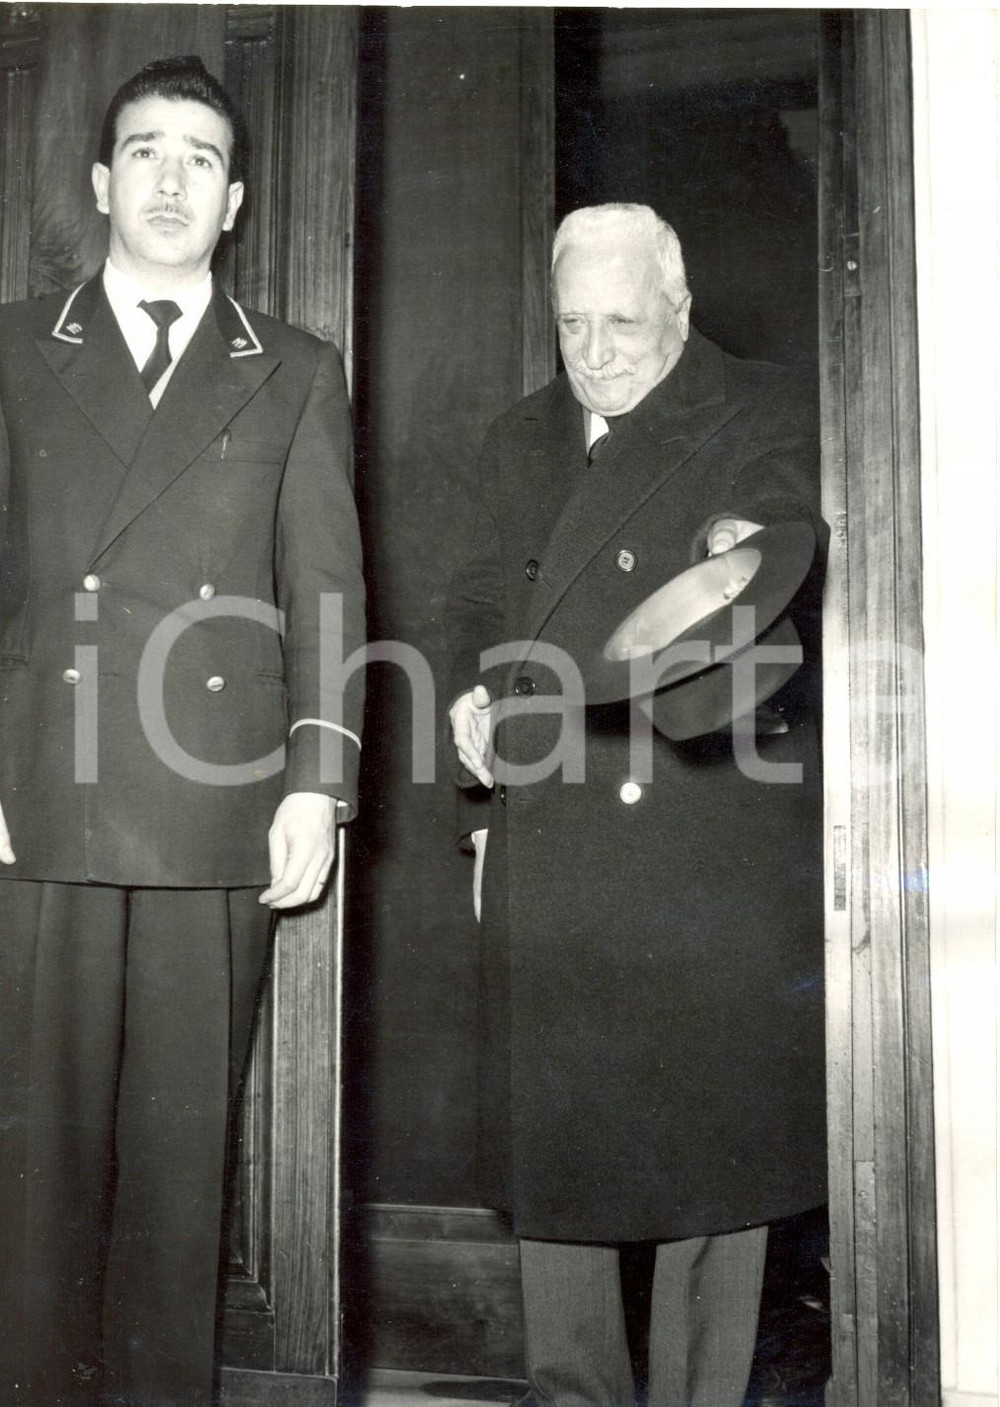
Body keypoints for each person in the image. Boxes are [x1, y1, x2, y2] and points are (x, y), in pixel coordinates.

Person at [0, 55, 364, 1407]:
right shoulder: (12, 349)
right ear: (101, 182)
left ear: (236, 201)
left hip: (215, 806)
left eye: (200, 160)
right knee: (33, 1176)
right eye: (146, 152)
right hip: (42, 797)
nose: (170, 180)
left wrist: (317, 782)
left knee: (177, 1174)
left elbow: (327, 592)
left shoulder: (293, 371)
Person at [447, 203, 826, 1407]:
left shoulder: (763, 405)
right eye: (573, 325)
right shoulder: (516, 438)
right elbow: (474, 602)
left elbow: (775, 535)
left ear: (680, 306)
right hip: (549, 823)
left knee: (711, 1171)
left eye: (622, 322)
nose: (596, 353)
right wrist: (468, 728)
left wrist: (743, 544)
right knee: (558, 1160)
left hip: (697, 825)